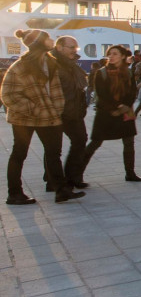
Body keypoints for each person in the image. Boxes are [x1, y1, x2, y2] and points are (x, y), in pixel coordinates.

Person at [1, 30, 81, 205]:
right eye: (48, 38)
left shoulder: (50, 62)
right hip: (24, 119)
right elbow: (8, 95)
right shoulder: (20, 66)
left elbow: (56, 90)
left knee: (53, 153)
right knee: (19, 154)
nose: (52, 40)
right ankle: (14, 193)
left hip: (49, 117)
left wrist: (56, 109)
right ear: (40, 43)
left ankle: (61, 190)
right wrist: (33, 108)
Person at [81, 45, 141, 183]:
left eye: (115, 54)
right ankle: (77, 175)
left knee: (129, 142)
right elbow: (102, 94)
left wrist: (125, 106)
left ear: (122, 56)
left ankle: (130, 173)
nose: (111, 56)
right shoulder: (101, 72)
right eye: (109, 54)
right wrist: (118, 106)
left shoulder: (128, 72)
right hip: (106, 112)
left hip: (126, 111)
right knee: (95, 143)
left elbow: (132, 91)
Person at [50, 36, 89, 191]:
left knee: (80, 140)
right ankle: (54, 182)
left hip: (74, 113)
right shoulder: (53, 64)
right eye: (71, 47)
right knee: (53, 149)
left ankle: (72, 177)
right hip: (59, 112)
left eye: (76, 48)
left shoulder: (71, 65)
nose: (74, 50)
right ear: (59, 47)